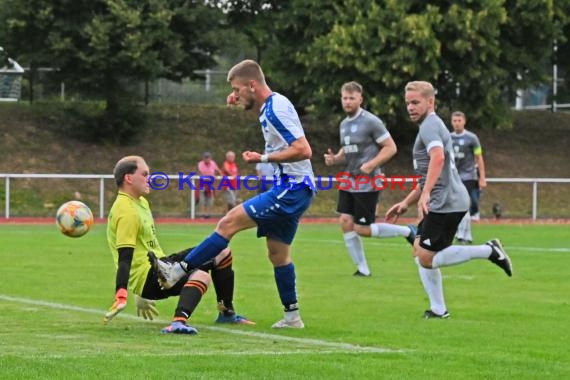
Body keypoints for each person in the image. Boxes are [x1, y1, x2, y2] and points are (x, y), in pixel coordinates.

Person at [150, 59, 315, 329]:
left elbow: (304, 149)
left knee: (228, 222)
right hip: (292, 188)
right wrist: (240, 100)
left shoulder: (276, 110)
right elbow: (275, 126)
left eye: (238, 90)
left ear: (253, 84)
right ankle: (292, 317)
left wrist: (263, 157)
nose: (235, 95)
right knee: (278, 254)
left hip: (291, 188)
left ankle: (178, 270)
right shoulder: (270, 107)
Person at [385, 81, 512, 319]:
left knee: (425, 257)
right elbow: (427, 174)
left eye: (415, 102)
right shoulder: (429, 126)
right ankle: (438, 309)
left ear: (430, 102)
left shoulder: (430, 126)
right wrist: (407, 202)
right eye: (408, 103)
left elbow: (438, 158)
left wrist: (425, 194)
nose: (410, 107)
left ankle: (489, 250)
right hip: (442, 199)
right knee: (419, 251)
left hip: (447, 202)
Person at [104, 155, 253, 334]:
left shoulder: (140, 202)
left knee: (221, 251)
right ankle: (178, 322)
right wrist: (123, 292)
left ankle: (226, 313)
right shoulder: (126, 210)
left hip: (161, 264)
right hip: (150, 277)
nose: (149, 178)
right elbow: (125, 258)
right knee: (202, 276)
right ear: (129, 178)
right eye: (144, 174)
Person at [324, 81, 416, 277]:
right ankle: (362, 269)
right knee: (345, 221)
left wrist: (372, 164)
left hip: (368, 182)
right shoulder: (344, 124)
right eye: (345, 98)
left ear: (360, 99)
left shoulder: (371, 121)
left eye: (352, 98)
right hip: (349, 180)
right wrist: (336, 159)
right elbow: (348, 149)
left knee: (362, 229)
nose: (347, 102)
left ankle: (407, 232)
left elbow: (391, 147)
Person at [450, 111, 487, 243]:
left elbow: (479, 157)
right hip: (453, 176)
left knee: (463, 204)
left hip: (468, 176)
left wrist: (482, 177)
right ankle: (467, 235)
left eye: (459, 120)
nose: (457, 123)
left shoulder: (472, 138)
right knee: (454, 205)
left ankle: (461, 234)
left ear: (464, 121)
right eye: (454, 121)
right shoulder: (448, 138)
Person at [197, 152, 223, 218]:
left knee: (210, 199)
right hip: (203, 183)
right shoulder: (200, 164)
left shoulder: (213, 163)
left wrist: (221, 175)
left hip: (211, 184)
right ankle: (202, 214)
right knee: (202, 200)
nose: (207, 159)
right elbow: (202, 173)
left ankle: (208, 214)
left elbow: (218, 170)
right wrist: (212, 176)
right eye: (205, 158)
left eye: (208, 158)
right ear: (203, 158)